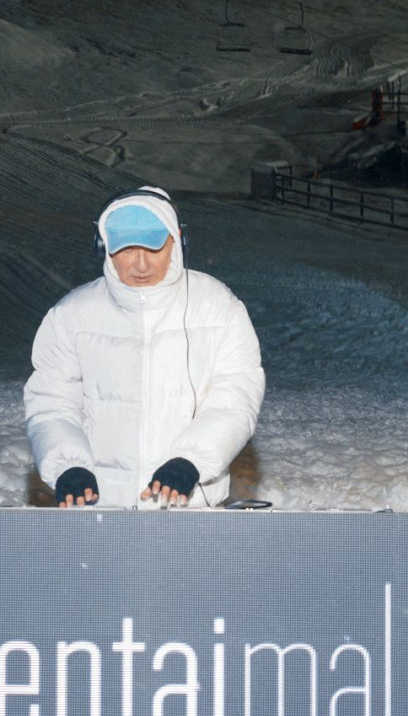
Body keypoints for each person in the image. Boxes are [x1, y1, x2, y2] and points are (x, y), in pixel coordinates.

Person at [24, 186, 265, 508]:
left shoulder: (219, 308)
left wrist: (191, 460)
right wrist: (68, 464)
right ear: (104, 248)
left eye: (153, 249)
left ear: (177, 242)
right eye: (126, 250)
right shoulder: (70, 316)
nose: (140, 265)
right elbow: (52, 402)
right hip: (102, 508)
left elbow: (235, 399)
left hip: (190, 506)